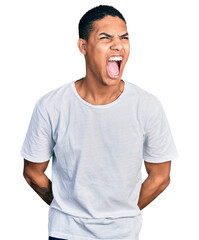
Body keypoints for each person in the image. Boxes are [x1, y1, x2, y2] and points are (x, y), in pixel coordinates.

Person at [21, 5, 179, 240]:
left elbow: (160, 177)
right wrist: (69, 211)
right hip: (65, 233)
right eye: (106, 37)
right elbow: (33, 172)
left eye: (124, 37)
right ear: (83, 46)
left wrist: (120, 215)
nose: (118, 45)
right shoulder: (51, 105)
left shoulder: (147, 106)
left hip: (123, 235)